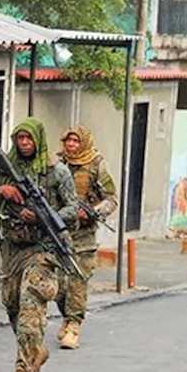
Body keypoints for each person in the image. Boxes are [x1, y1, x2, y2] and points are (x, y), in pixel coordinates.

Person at [0, 118, 80, 372]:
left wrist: (40, 217)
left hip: (44, 248)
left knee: (30, 302)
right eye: (20, 139)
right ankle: (36, 349)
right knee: (11, 303)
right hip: (13, 247)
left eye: (29, 139)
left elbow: (72, 208)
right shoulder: (5, 170)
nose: (24, 143)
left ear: (38, 140)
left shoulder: (56, 171)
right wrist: (4, 191)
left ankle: (22, 369)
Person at [55, 126, 118, 350]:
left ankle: (73, 325)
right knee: (57, 286)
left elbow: (111, 199)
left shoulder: (97, 164)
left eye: (75, 141)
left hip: (83, 235)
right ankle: (67, 316)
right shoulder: (57, 163)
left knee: (77, 282)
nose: (71, 145)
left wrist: (93, 212)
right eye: (68, 141)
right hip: (58, 231)